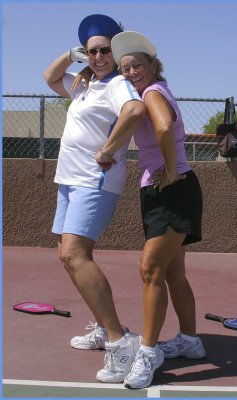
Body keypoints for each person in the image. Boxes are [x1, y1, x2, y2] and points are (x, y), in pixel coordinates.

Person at [94, 31, 206, 389]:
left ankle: (148, 351)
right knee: (173, 274)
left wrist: (170, 172)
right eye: (125, 69)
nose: (130, 72)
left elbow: (162, 126)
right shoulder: (152, 92)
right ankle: (189, 341)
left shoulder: (154, 92)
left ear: (153, 66)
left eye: (137, 65)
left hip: (171, 191)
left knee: (150, 271)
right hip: (169, 189)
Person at [43, 16, 146, 384]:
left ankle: (121, 343)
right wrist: (74, 57)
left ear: (114, 53)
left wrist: (110, 147)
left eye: (105, 50)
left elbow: (135, 111)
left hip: (94, 181)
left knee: (75, 254)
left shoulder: (117, 84)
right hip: (68, 181)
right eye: (92, 51)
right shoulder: (84, 84)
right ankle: (107, 329)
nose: (99, 56)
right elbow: (50, 78)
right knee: (66, 256)